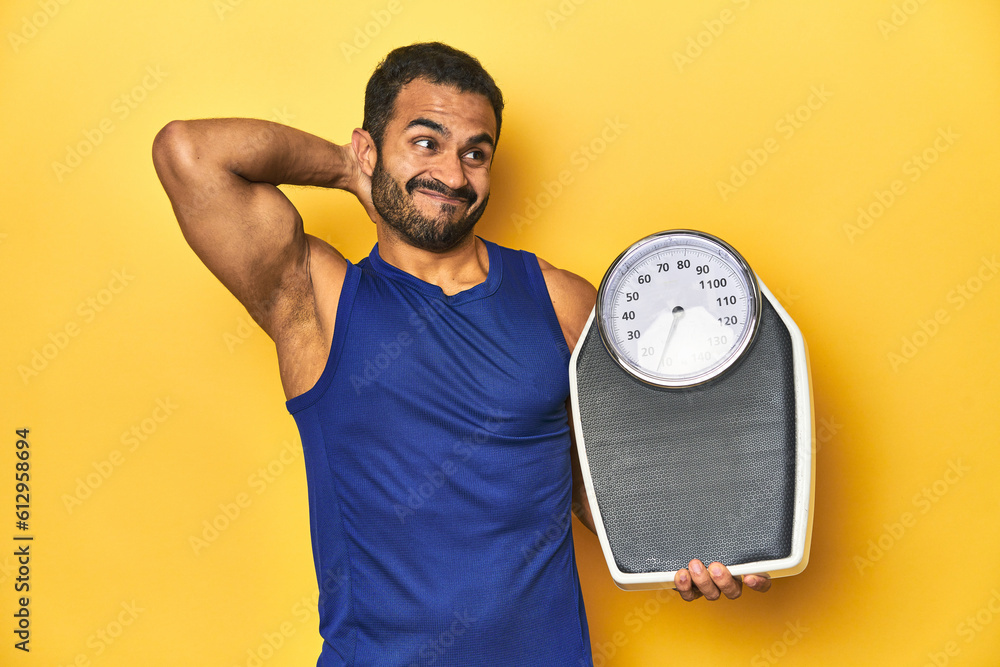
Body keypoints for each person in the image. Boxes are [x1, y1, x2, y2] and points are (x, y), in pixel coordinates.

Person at [152, 41, 770, 666]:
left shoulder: (559, 300)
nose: (452, 175)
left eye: (475, 153)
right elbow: (190, 152)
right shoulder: (317, 301)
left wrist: (695, 548)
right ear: (371, 149)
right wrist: (343, 168)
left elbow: (605, 491)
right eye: (426, 142)